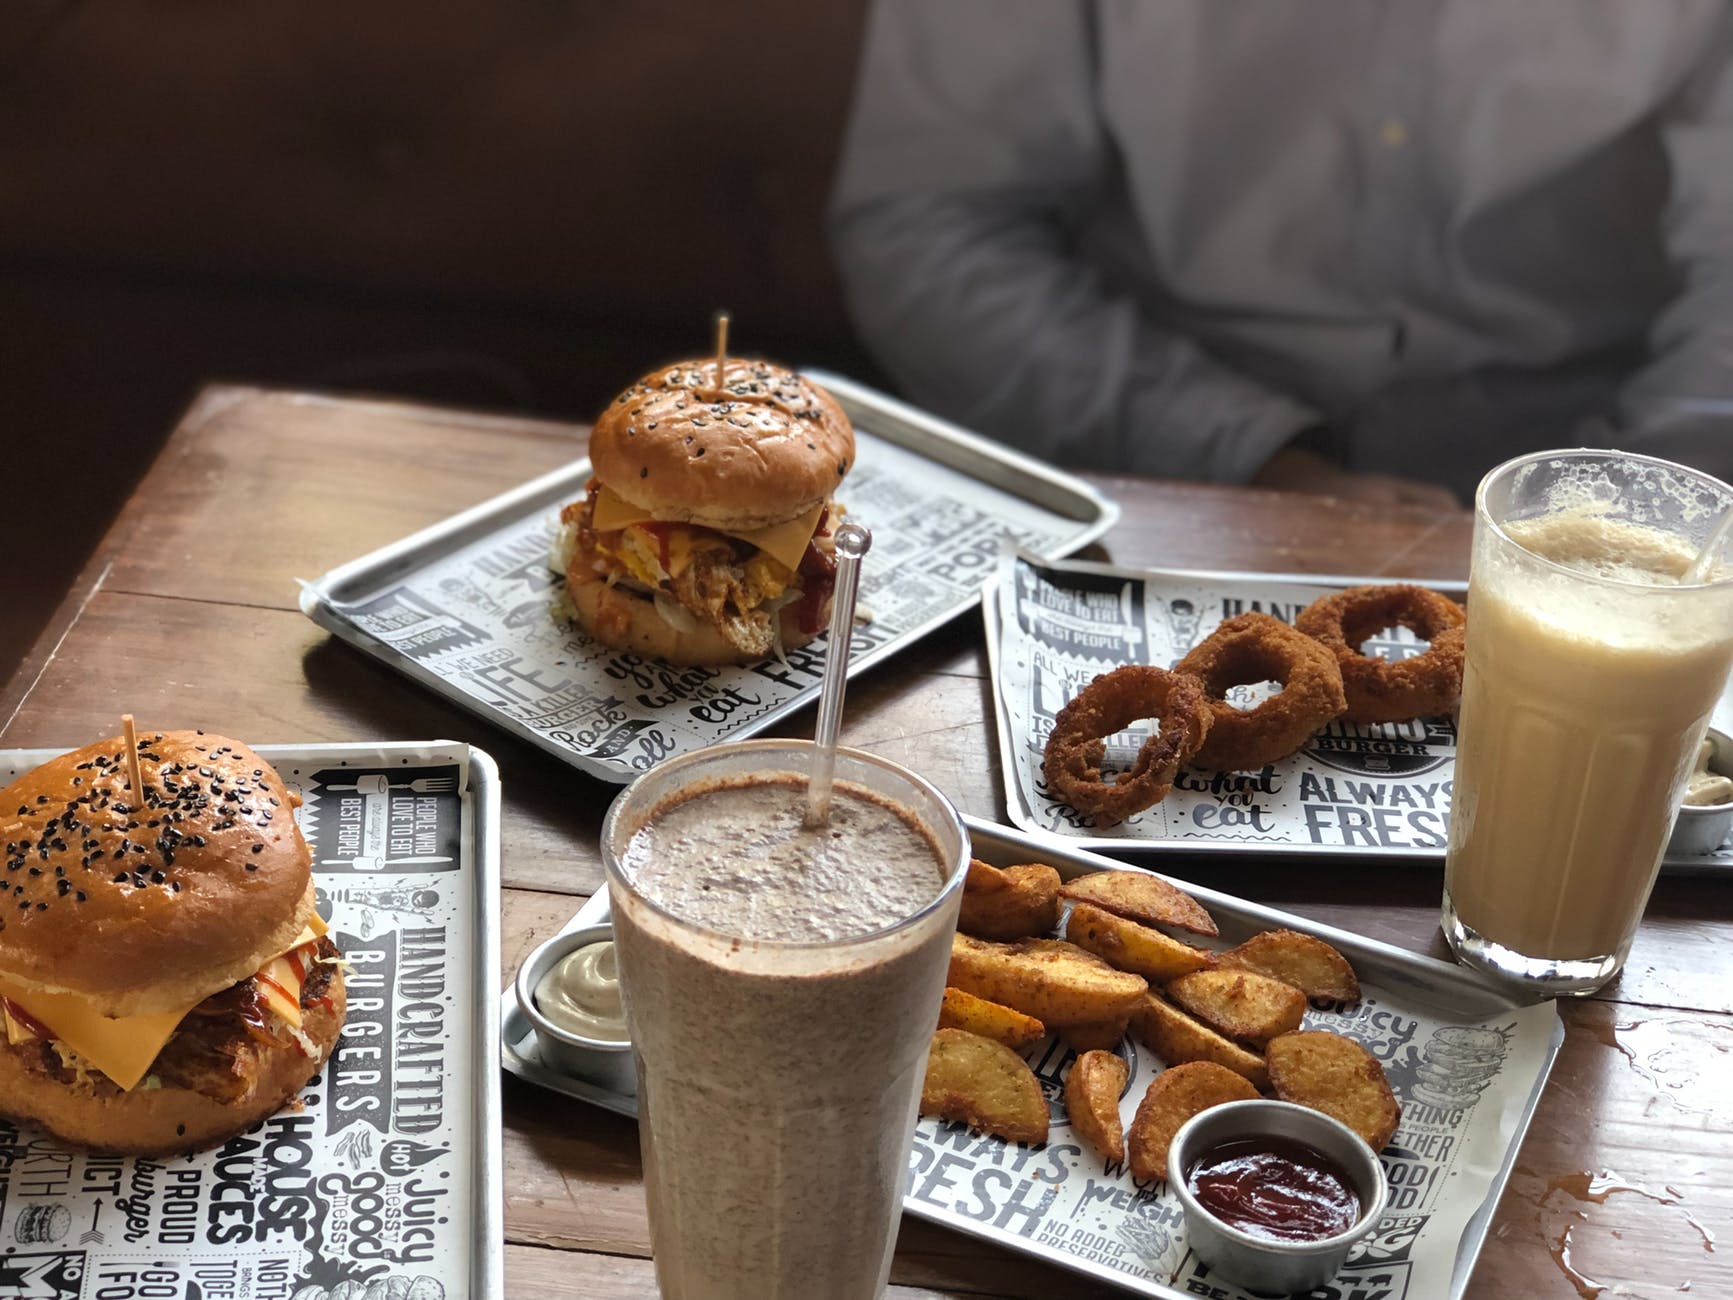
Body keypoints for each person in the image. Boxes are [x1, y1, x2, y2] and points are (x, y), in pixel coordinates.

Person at [829, 1, 1733, 507]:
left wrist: (1614, 520)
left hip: (1601, 479)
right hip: (1153, 473)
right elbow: (928, 222)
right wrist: (1250, 456)